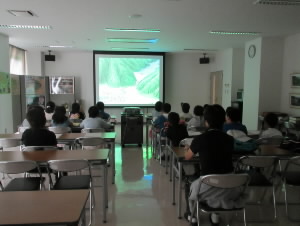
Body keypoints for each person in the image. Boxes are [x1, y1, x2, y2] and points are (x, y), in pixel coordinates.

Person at [184, 105, 241, 226]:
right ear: (224, 121)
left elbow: (187, 157)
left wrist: (190, 148)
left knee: (188, 182)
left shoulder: (200, 139)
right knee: (219, 179)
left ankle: (192, 216)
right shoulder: (230, 139)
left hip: (207, 187)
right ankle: (215, 216)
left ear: (206, 122)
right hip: (229, 188)